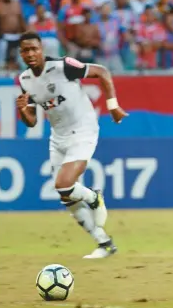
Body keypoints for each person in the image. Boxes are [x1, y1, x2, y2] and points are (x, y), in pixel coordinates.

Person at [16, 31, 128, 259]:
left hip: (83, 130)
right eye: (25, 50)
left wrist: (113, 105)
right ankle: (104, 243)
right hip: (58, 137)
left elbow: (102, 72)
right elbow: (32, 121)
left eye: (34, 49)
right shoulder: (24, 80)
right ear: (20, 54)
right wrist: (23, 110)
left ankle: (94, 197)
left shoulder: (63, 66)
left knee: (63, 184)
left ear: (42, 50)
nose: (30, 54)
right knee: (66, 196)